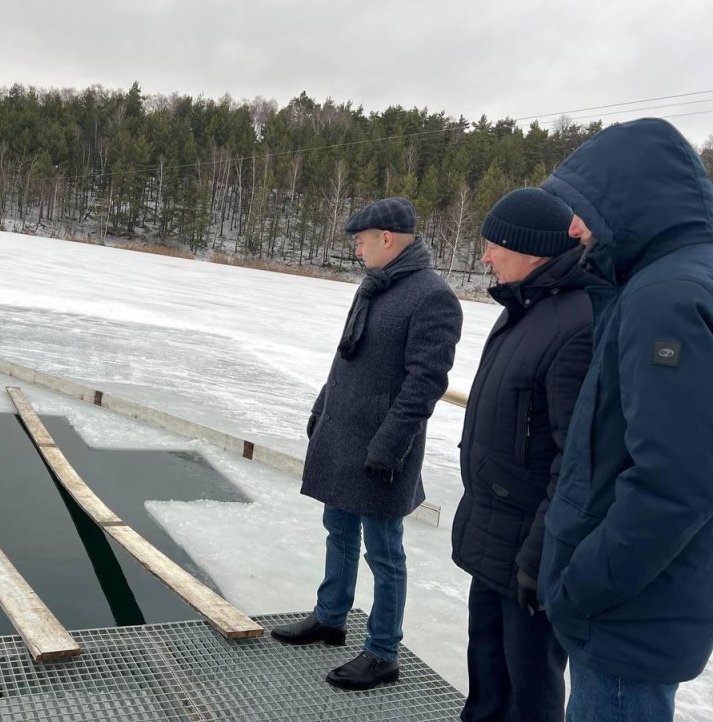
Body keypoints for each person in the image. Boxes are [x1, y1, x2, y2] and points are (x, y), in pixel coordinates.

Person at [537, 118, 713, 722]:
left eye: (583, 207)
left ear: (629, 199)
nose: (574, 226)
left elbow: (675, 483)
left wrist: (582, 587)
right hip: (648, 602)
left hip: (628, 617)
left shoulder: (665, 296)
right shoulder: (672, 278)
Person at [272, 197, 463, 691]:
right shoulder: (375, 286)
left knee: (384, 552)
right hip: (344, 437)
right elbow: (345, 360)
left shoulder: (432, 296)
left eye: (360, 241)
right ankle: (331, 618)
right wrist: (321, 409)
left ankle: (383, 653)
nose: (356, 251)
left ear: (387, 238)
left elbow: (425, 383)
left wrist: (388, 447)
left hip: (383, 449)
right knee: (338, 529)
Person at [452, 188, 597, 721]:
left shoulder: (575, 323)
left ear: (531, 249)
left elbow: (575, 458)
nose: (486, 257)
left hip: (529, 546)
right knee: (487, 675)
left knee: (528, 688)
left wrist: (540, 555)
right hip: (495, 532)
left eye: (494, 246)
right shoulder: (523, 306)